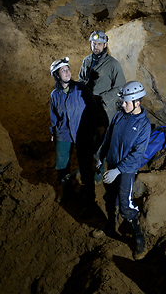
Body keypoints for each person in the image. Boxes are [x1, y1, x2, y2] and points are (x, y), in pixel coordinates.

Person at [96, 81, 151, 259]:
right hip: (112, 164)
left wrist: (118, 170)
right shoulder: (119, 116)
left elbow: (136, 156)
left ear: (137, 102)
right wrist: (100, 156)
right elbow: (108, 138)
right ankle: (110, 226)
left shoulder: (144, 125)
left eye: (126, 102)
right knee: (110, 196)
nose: (123, 105)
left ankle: (139, 239)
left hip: (126, 170)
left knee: (125, 204)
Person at [49, 57, 105, 214]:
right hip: (63, 134)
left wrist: (100, 125)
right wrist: (53, 133)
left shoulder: (81, 89)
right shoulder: (55, 95)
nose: (67, 72)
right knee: (61, 166)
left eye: (68, 69)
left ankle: (90, 200)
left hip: (83, 132)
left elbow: (94, 108)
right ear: (57, 76)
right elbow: (53, 117)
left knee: (86, 167)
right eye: (63, 70)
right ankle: (66, 192)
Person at [78, 30, 126, 126]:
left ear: (105, 45)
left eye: (99, 44)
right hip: (87, 105)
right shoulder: (87, 61)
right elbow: (82, 79)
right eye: (94, 43)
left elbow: (120, 87)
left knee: (103, 136)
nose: (96, 47)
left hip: (104, 108)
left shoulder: (113, 64)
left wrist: (102, 98)